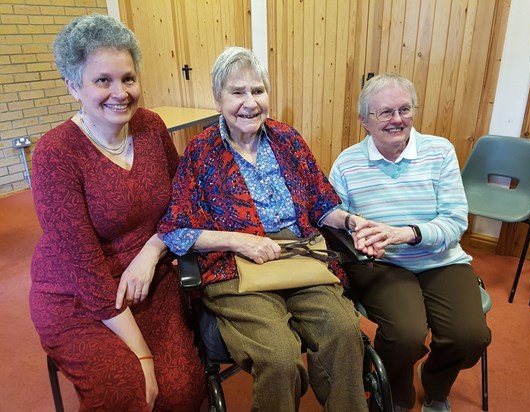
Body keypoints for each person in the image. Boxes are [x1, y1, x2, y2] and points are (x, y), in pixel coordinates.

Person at [157, 46, 368, 412]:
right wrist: (241, 241)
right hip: (235, 265)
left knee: (344, 332)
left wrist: (350, 220)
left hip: (299, 255)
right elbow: (175, 230)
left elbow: (321, 201)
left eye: (257, 90)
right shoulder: (200, 152)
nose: (249, 102)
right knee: (280, 355)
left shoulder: (287, 139)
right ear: (217, 98)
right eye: (237, 92)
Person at [29, 14, 206, 411]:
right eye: (102, 80)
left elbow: (180, 207)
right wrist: (142, 355)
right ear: (73, 86)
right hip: (76, 295)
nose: (120, 92)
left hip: (148, 280)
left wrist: (153, 249)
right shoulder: (55, 154)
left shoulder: (151, 127)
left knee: (181, 390)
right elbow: (85, 270)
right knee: (127, 390)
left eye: (128, 78)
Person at [329, 72, 492, 412]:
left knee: (469, 337)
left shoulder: (439, 151)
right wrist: (358, 237)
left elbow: (454, 220)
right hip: (382, 263)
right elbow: (334, 219)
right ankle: (396, 394)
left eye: (405, 109)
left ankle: (434, 381)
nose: (397, 119)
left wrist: (406, 233)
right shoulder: (347, 163)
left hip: (440, 258)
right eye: (385, 112)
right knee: (404, 334)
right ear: (364, 121)